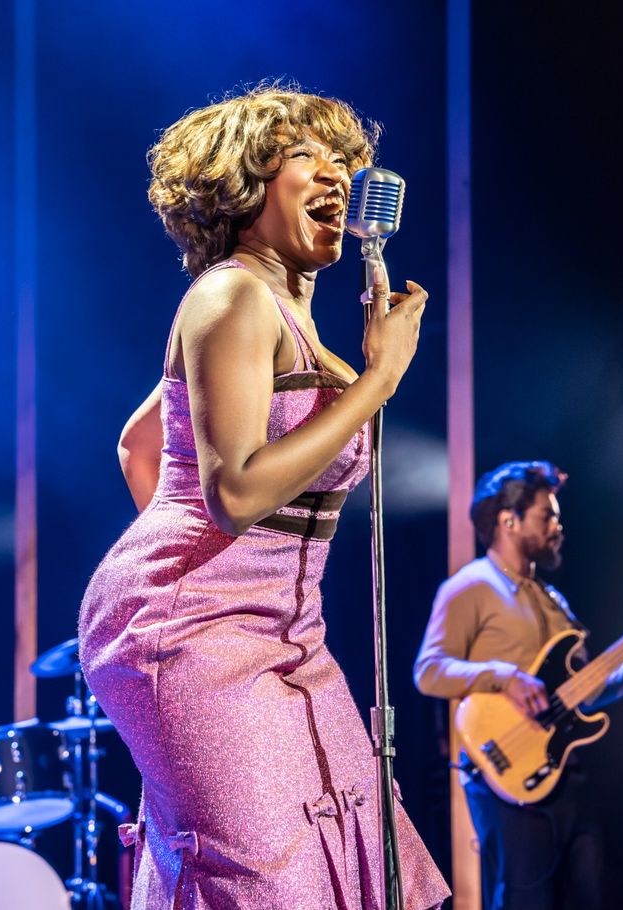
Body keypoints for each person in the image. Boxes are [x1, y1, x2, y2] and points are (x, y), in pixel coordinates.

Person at [78, 85, 449, 909]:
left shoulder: (284, 316)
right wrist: (381, 378)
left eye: (345, 164)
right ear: (246, 183)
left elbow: (140, 445)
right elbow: (235, 492)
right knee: (267, 873)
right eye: (309, 158)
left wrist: (226, 568)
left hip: (285, 632)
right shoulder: (231, 294)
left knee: (348, 846)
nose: (339, 177)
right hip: (196, 634)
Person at [414, 460, 623, 910]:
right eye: (547, 516)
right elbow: (428, 670)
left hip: (567, 774)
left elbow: (589, 692)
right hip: (505, 776)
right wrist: (503, 677)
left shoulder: (554, 600)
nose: (558, 527)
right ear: (509, 520)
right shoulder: (469, 587)